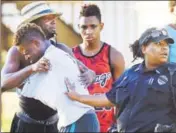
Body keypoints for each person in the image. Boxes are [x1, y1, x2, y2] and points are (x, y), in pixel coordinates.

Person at [1, 1, 95, 132]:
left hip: (55, 124)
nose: (54, 21)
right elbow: (3, 83)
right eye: (47, 19)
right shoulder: (18, 52)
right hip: (27, 124)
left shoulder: (61, 49)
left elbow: (88, 71)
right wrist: (32, 68)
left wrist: (90, 75)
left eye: (53, 18)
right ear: (33, 24)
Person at [66, 27, 176, 132]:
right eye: (158, 44)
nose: (165, 48)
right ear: (144, 48)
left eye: (166, 44)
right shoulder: (130, 74)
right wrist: (78, 97)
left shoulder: (173, 73)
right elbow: (109, 99)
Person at [15, 23, 100, 132]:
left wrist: (31, 69)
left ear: (35, 43)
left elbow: (21, 87)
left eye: (27, 52)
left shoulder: (49, 60)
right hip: (80, 120)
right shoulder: (58, 55)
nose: (27, 57)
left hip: (77, 121)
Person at [72, 4, 125, 132]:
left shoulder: (114, 55)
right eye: (84, 27)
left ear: (101, 26)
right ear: (79, 28)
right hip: (78, 123)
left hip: (107, 126)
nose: (88, 31)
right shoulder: (71, 56)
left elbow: (121, 96)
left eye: (93, 26)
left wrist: (119, 125)